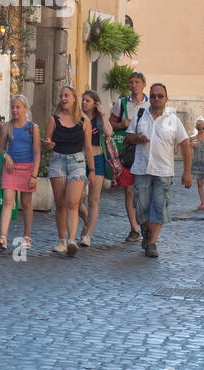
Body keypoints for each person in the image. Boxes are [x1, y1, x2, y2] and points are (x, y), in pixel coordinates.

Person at [123, 83, 192, 258]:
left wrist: (187, 171)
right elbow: (128, 136)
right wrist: (137, 138)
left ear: (166, 99)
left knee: (159, 208)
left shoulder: (173, 120)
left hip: (164, 171)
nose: (156, 99)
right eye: (153, 96)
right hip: (141, 169)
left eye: (160, 96)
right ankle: (146, 229)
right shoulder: (141, 115)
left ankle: (152, 242)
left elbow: (185, 144)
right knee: (141, 207)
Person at [44, 86, 94, 257]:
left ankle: (72, 240)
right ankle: (62, 240)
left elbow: (88, 148)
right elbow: (47, 141)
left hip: (78, 162)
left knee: (72, 202)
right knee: (60, 204)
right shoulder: (53, 120)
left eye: (66, 95)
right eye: (61, 96)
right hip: (58, 161)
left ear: (74, 98)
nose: (63, 98)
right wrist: (48, 144)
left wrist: (92, 170)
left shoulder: (84, 121)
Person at [0, 94, 40, 252]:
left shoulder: (32, 128)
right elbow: (1, 149)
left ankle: (27, 237)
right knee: (8, 200)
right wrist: (5, 156)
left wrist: (34, 175)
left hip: (27, 169)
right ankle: (3, 237)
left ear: (25, 109)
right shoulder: (7, 127)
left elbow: (37, 153)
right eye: (13, 107)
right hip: (11, 169)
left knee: (27, 204)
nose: (14, 110)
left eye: (18, 107)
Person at [109, 71, 148, 242]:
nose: (134, 85)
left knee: (145, 191)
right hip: (127, 153)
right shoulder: (121, 103)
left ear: (144, 84)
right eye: (131, 82)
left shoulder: (149, 104)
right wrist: (121, 124)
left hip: (145, 152)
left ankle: (145, 225)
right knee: (129, 191)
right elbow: (110, 124)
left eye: (137, 82)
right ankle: (134, 229)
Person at [76, 90, 115, 246]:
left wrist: (104, 114)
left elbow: (109, 132)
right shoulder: (78, 118)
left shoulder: (99, 120)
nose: (84, 102)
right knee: (76, 200)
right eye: (83, 100)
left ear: (95, 104)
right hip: (80, 160)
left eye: (88, 100)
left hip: (98, 159)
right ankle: (87, 221)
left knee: (93, 199)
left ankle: (88, 235)